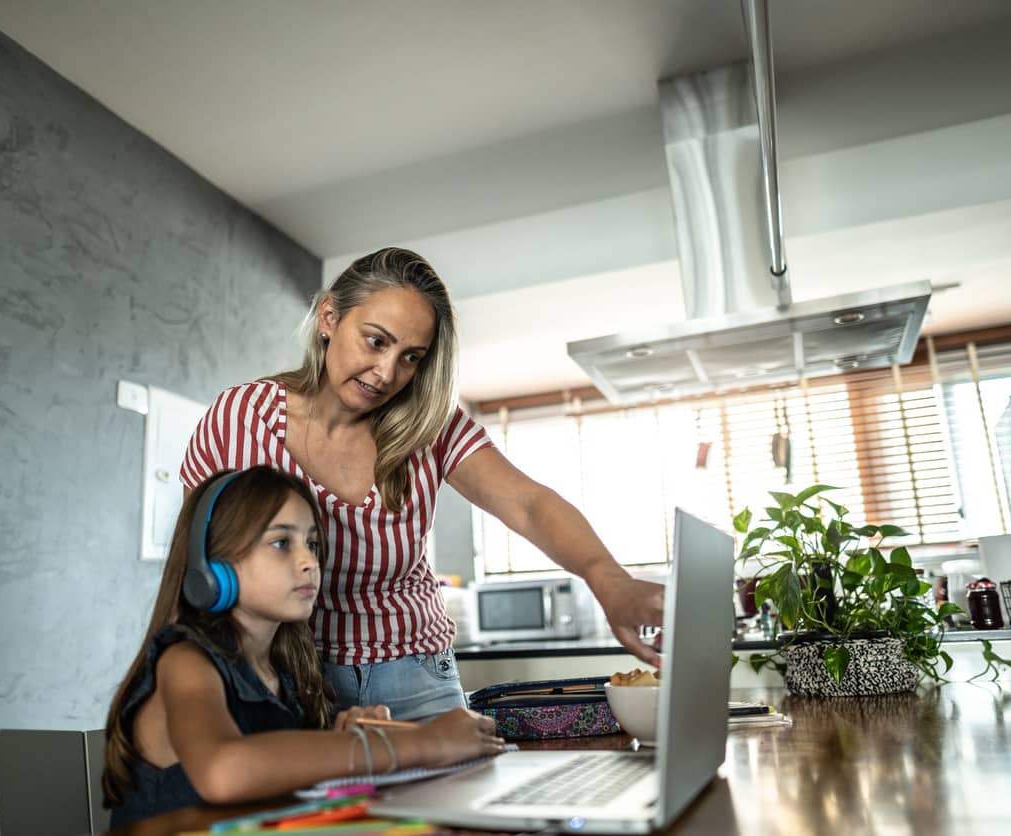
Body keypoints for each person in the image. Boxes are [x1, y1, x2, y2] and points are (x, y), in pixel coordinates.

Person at [180, 247, 665, 721]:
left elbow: (528, 504)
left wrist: (609, 579)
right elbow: (199, 556)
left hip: (414, 674)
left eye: (411, 357)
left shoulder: (429, 422)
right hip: (283, 674)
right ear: (329, 317)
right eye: (376, 341)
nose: (388, 373)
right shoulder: (243, 418)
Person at [102, 465, 504, 827]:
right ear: (213, 566)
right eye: (281, 543)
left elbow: (275, 784)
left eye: (312, 544)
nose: (309, 561)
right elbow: (224, 772)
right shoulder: (186, 661)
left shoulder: (285, 672)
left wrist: (340, 736)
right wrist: (421, 742)